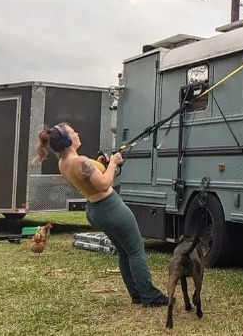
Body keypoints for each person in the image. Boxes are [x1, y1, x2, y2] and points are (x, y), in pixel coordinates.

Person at [33, 122, 168, 308]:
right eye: (73, 132)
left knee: (123, 252)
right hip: (111, 207)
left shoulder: (63, 163)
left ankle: (136, 294)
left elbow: (87, 179)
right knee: (136, 250)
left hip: (95, 209)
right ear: (66, 140)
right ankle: (150, 296)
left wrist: (102, 164)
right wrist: (113, 163)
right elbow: (104, 184)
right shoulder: (81, 162)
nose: (77, 133)